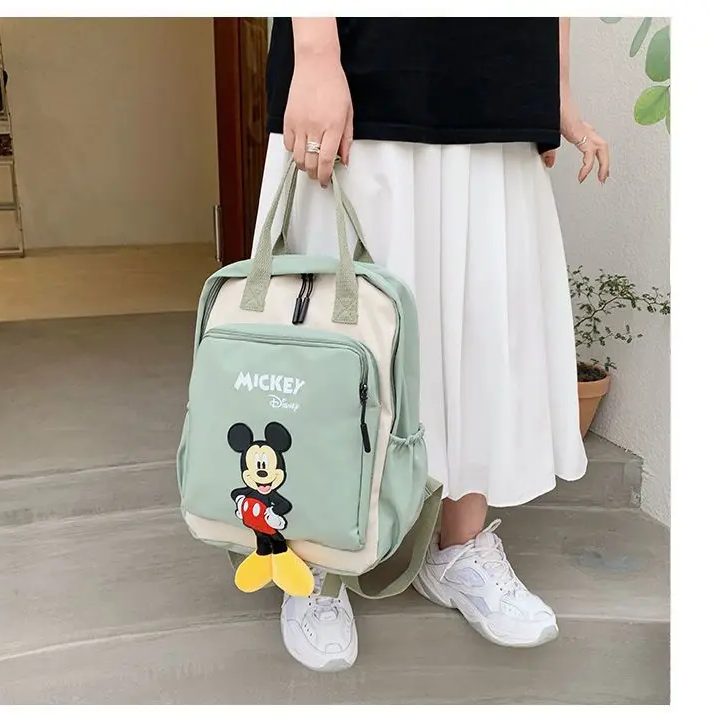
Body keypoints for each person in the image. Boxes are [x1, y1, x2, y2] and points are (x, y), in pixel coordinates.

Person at [254, 17, 610, 672]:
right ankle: (315, 555)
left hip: (500, 68)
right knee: (332, 335)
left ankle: (459, 547)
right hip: (363, 57)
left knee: (482, 320)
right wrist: (316, 52)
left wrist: (554, 85)